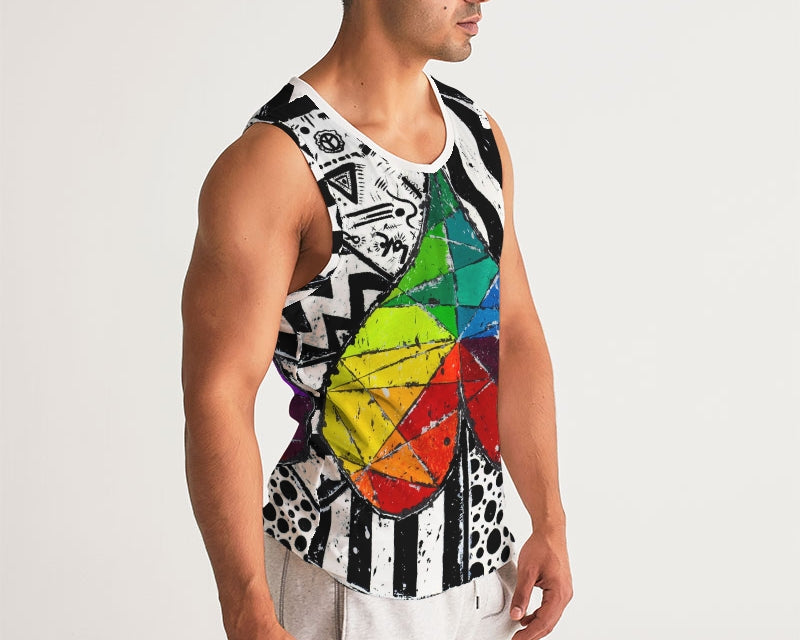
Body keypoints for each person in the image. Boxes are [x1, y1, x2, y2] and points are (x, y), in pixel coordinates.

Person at [181, 1, 573, 639]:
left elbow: (516, 335)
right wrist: (247, 605)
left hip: (485, 580)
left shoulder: (477, 136)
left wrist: (549, 521)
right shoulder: (274, 162)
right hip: (345, 584)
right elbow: (219, 394)